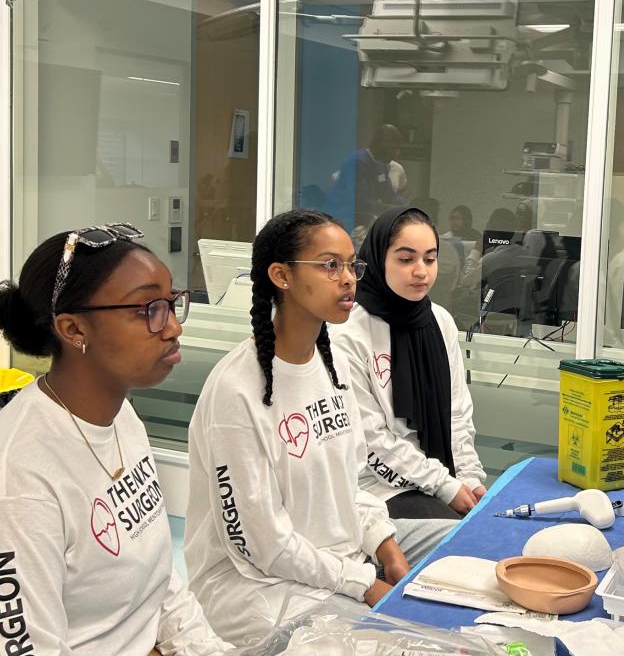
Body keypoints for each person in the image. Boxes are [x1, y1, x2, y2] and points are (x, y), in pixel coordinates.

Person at [185, 210, 444, 646]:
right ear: (281, 276)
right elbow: (263, 544)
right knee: (402, 641)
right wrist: (362, 583)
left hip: (340, 561)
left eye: (351, 265)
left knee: (460, 546)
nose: (348, 279)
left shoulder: (335, 363)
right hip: (261, 584)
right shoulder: (237, 390)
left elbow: (351, 484)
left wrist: (388, 550)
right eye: (330, 266)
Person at [0, 224, 229, 655]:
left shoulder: (121, 415)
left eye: (171, 302)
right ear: (73, 329)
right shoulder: (15, 483)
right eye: (148, 308)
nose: (172, 328)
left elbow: (159, 581)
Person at [333, 207, 488, 523]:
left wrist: (469, 476)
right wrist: (444, 486)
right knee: (453, 538)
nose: (421, 271)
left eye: (429, 259)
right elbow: (369, 440)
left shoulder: (440, 322)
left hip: (441, 475)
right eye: (406, 260)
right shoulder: (348, 332)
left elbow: (457, 413)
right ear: (378, 260)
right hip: (375, 487)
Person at [326, 124, 405, 234]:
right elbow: (360, 203)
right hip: (344, 221)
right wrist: (387, 209)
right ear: (381, 143)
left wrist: (404, 206)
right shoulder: (358, 162)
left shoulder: (382, 165)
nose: (396, 153)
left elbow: (389, 195)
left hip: (364, 220)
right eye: (394, 148)